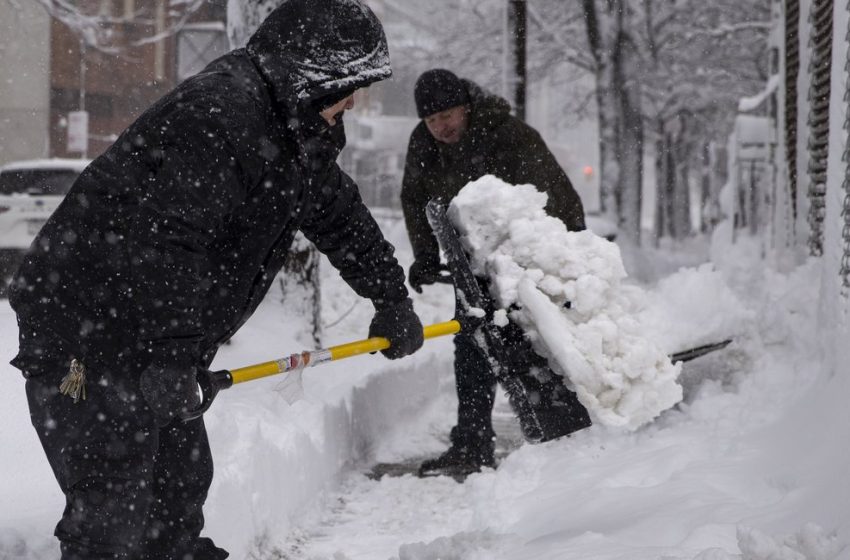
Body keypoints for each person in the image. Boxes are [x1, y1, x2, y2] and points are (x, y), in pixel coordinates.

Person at [9, 1, 424, 558]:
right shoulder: (220, 115)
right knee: (113, 511)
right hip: (85, 330)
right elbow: (170, 243)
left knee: (177, 492)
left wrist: (391, 296)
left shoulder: (295, 129)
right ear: (311, 77)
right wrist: (175, 357)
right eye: (351, 87)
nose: (354, 102)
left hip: (154, 333)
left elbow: (339, 214)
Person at [401, 69, 592, 477]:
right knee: (471, 348)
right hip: (471, 263)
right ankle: (472, 445)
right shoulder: (423, 142)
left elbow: (554, 195)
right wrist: (424, 255)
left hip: (527, 259)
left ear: (467, 108)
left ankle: (574, 429)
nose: (441, 127)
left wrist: (565, 259)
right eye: (432, 121)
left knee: (534, 343)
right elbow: (415, 197)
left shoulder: (508, 134)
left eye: (448, 115)